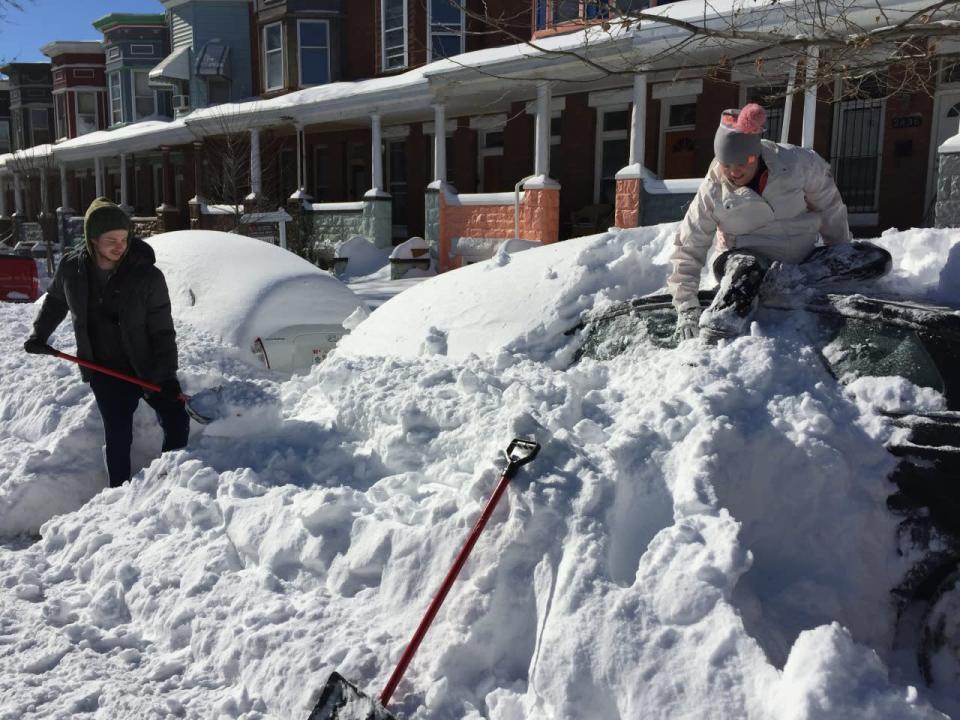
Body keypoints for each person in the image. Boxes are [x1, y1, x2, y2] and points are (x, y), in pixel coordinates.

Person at [668, 103, 892, 343]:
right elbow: (689, 246)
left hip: (801, 264)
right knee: (748, 269)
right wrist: (687, 307)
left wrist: (839, 252)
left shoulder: (797, 164)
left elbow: (830, 206)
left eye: (742, 162)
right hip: (743, 262)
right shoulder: (712, 190)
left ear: (756, 153)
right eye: (726, 164)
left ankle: (786, 283)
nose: (734, 171)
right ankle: (718, 330)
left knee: (877, 258)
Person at [23, 197, 189, 487]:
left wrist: (167, 376)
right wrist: (40, 334)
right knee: (118, 435)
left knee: (176, 420)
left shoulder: (146, 276)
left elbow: (163, 330)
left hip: (146, 365)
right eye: (111, 239)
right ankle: (118, 494)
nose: (119, 246)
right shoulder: (72, 269)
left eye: (124, 238)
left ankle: (168, 483)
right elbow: (55, 302)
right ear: (92, 239)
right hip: (103, 366)